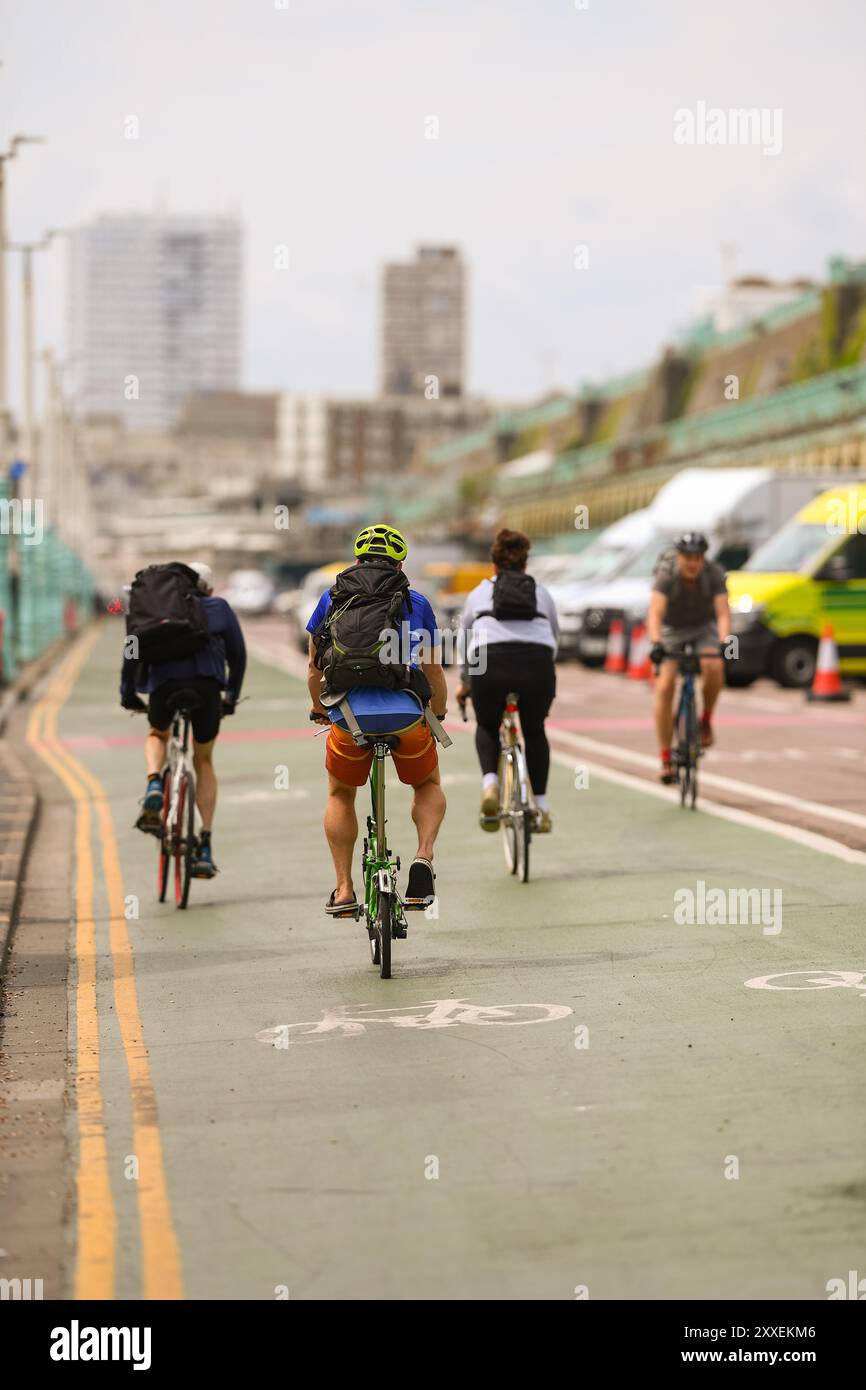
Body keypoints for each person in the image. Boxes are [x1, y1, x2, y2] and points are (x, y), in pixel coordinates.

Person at [307, 524, 448, 916]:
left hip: (349, 720)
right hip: (405, 716)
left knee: (340, 793)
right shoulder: (416, 602)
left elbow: (314, 667)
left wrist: (320, 708)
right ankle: (423, 856)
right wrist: (437, 714)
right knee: (426, 783)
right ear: (400, 564)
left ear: (355, 560)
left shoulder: (331, 599)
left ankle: (344, 889)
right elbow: (433, 670)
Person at [120, 561, 246, 878]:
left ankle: (153, 784)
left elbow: (131, 649)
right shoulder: (218, 606)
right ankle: (204, 845)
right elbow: (238, 655)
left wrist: (128, 692)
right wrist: (230, 696)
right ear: (207, 588)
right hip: (206, 688)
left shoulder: (153, 609)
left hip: (163, 687)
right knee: (203, 759)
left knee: (157, 734)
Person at [456, 529, 559, 832]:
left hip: (490, 663)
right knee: (535, 731)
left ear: (494, 566)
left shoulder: (477, 593)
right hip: (536, 664)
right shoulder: (541, 593)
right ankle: (540, 806)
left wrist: (465, 683)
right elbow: (554, 638)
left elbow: (464, 643)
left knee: (487, 725)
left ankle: (490, 784)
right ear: (526, 565)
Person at [646, 532, 731, 784]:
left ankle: (705, 720)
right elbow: (655, 613)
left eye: (697, 558)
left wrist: (727, 642)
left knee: (713, 664)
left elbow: (723, 614)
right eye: (687, 558)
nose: (692, 564)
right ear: (679, 557)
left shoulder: (714, 574)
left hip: (703, 628)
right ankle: (665, 758)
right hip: (672, 630)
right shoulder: (666, 574)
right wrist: (656, 643)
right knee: (664, 686)